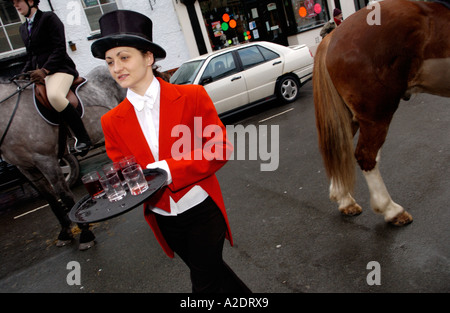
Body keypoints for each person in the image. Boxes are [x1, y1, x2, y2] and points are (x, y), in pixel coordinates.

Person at [91, 10, 251, 293]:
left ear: (148, 57)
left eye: (124, 57)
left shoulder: (191, 96)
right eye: (110, 61)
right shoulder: (110, 120)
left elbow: (219, 149)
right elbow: (123, 170)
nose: (116, 68)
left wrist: (167, 169)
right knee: (217, 278)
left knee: (203, 283)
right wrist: (110, 190)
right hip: (163, 217)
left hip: (201, 208)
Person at [12, 0, 91, 155]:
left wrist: (45, 70)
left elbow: (60, 47)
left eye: (18, 1)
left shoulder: (49, 18)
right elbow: (31, 56)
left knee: (55, 96)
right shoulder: (23, 28)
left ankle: (83, 138)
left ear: (30, 1)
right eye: (13, 3)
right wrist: (23, 73)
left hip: (60, 69)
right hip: (40, 74)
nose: (15, 6)